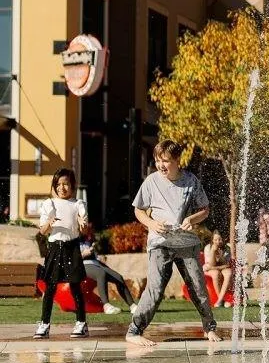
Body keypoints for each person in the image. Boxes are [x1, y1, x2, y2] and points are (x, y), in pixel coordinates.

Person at [125, 140, 221, 346]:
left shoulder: (191, 181)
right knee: (155, 288)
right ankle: (134, 331)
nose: (161, 165)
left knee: (198, 287)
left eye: (166, 161)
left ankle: (209, 328)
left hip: (186, 243)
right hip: (160, 243)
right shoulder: (151, 182)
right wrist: (151, 223)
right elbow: (138, 210)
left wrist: (192, 219)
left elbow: (205, 209)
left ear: (177, 160)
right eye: (158, 160)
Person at [34, 168, 90, 339]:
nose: (62, 188)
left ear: (72, 185)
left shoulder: (78, 204)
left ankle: (81, 323)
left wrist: (82, 224)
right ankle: (44, 324)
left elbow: (84, 230)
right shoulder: (49, 204)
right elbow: (42, 231)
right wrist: (49, 223)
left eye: (65, 184)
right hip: (54, 248)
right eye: (58, 184)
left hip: (72, 247)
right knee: (50, 288)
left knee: (75, 286)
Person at [80, 232, 137, 315]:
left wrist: (96, 255)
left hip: (95, 263)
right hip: (82, 265)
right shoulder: (71, 239)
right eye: (83, 224)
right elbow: (69, 259)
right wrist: (83, 254)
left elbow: (93, 254)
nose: (85, 225)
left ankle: (133, 306)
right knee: (100, 273)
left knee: (118, 277)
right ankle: (106, 306)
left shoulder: (87, 238)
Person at [203, 230, 233, 308]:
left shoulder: (227, 248)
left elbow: (226, 264)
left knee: (229, 273)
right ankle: (221, 300)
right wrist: (213, 251)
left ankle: (219, 300)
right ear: (212, 240)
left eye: (220, 239)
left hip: (221, 267)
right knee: (215, 273)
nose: (218, 242)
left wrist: (220, 254)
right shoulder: (208, 247)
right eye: (215, 240)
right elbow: (211, 264)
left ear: (223, 239)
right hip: (210, 269)